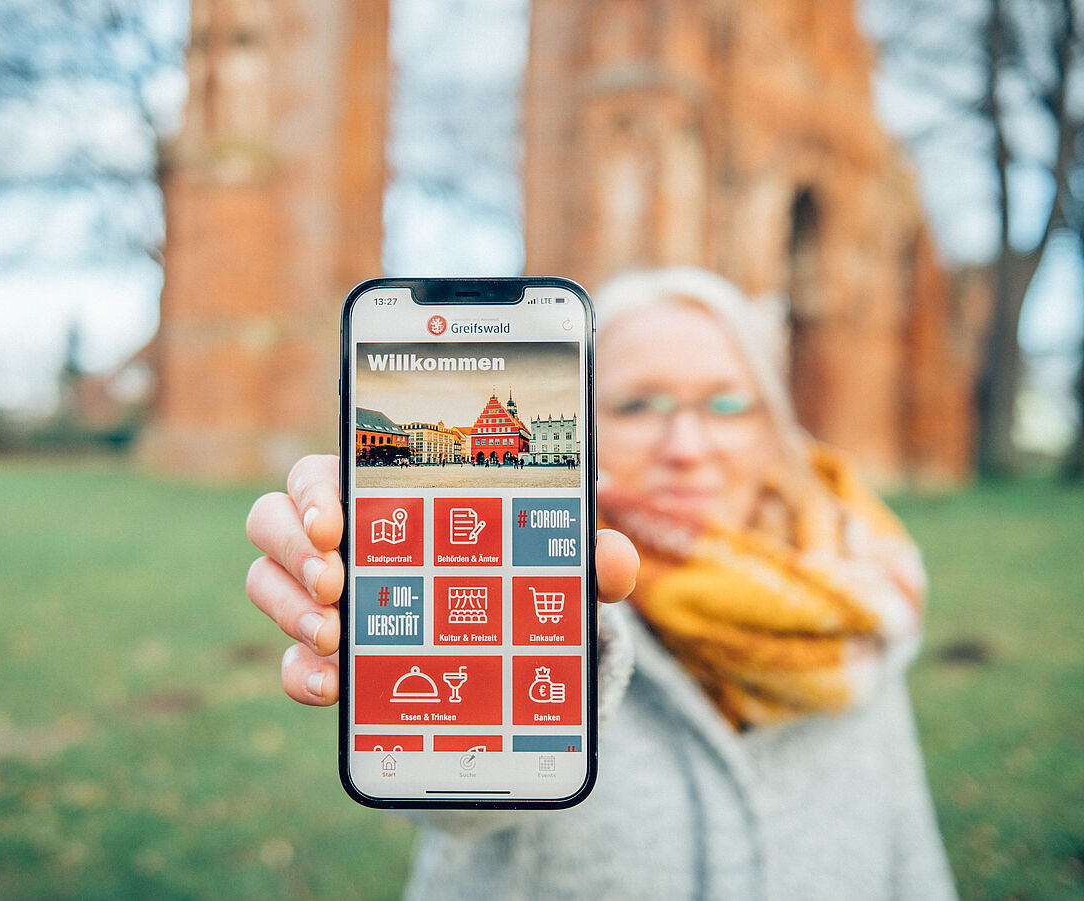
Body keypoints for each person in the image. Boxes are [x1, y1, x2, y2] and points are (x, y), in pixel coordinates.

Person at [245, 268, 958, 900]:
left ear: (777, 428)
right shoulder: (565, 588)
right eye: (637, 405)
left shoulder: (855, 604)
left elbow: (912, 858)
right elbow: (458, 802)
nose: (686, 447)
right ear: (582, 427)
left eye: (728, 405)